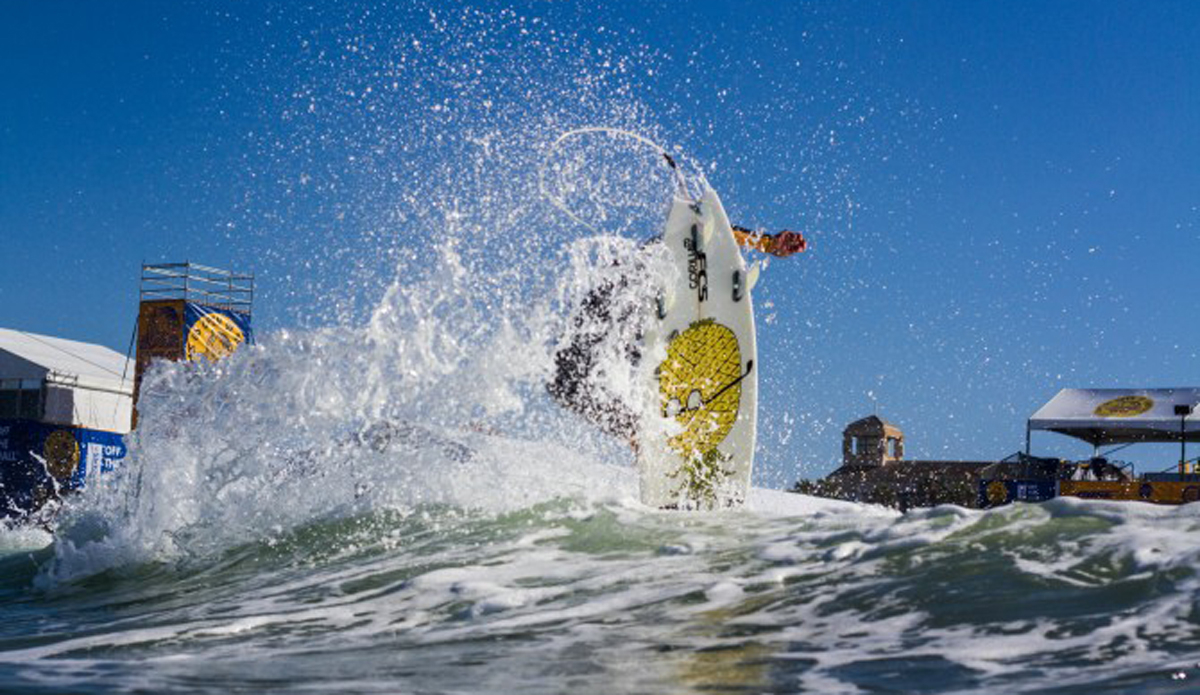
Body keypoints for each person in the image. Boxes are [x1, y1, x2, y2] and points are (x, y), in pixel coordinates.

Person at [547, 226, 806, 442]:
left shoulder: (656, 267)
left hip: (624, 337)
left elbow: (716, 232)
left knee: (601, 392)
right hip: (592, 350)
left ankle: (644, 436)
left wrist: (767, 244)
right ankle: (642, 436)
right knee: (572, 384)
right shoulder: (629, 279)